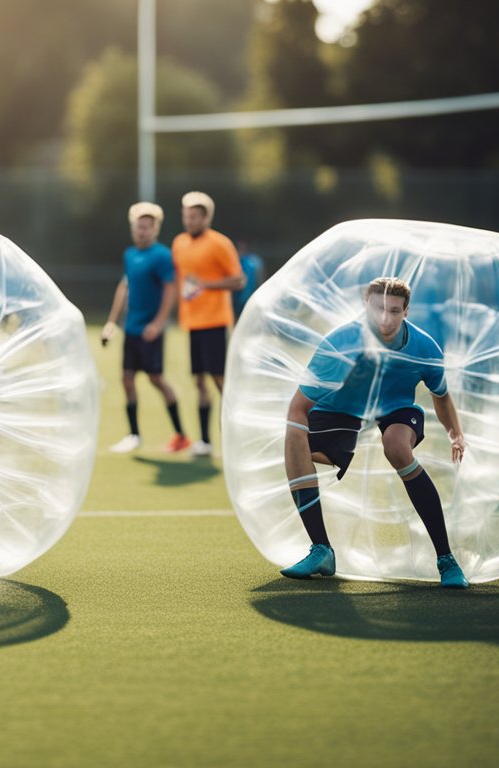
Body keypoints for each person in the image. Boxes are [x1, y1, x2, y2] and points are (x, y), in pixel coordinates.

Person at [281, 277, 469, 588]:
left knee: (395, 445)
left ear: (406, 311)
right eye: (379, 308)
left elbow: (441, 394)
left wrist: (455, 434)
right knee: (293, 442)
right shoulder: (341, 344)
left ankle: (446, 560)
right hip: (344, 410)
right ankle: (322, 550)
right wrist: (297, 442)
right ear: (365, 305)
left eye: (395, 311)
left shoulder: (425, 348)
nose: (385, 318)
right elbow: (297, 408)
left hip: (395, 409)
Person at [100, 202, 190, 454]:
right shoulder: (129, 254)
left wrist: (159, 323)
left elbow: (171, 289)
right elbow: (124, 287)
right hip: (131, 329)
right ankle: (134, 435)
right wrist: (111, 323)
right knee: (127, 379)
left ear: (155, 229)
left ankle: (181, 436)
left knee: (156, 379)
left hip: (151, 331)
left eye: (148, 228)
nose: (143, 231)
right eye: (140, 227)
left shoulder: (161, 256)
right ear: (133, 228)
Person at [172, 191, 244, 457]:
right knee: (199, 382)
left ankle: (233, 438)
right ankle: (205, 441)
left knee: (221, 382)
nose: (188, 221)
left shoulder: (219, 244)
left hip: (215, 321)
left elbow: (239, 281)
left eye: (193, 216)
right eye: (185, 216)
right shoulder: (178, 243)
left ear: (205, 217)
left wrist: (206, 285)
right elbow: (180, 280)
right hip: (192, 323)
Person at [232, 240, 263, 320]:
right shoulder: (235, 259)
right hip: (237, 294)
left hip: (250, 292)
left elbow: (259, 277)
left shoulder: (254, 260)